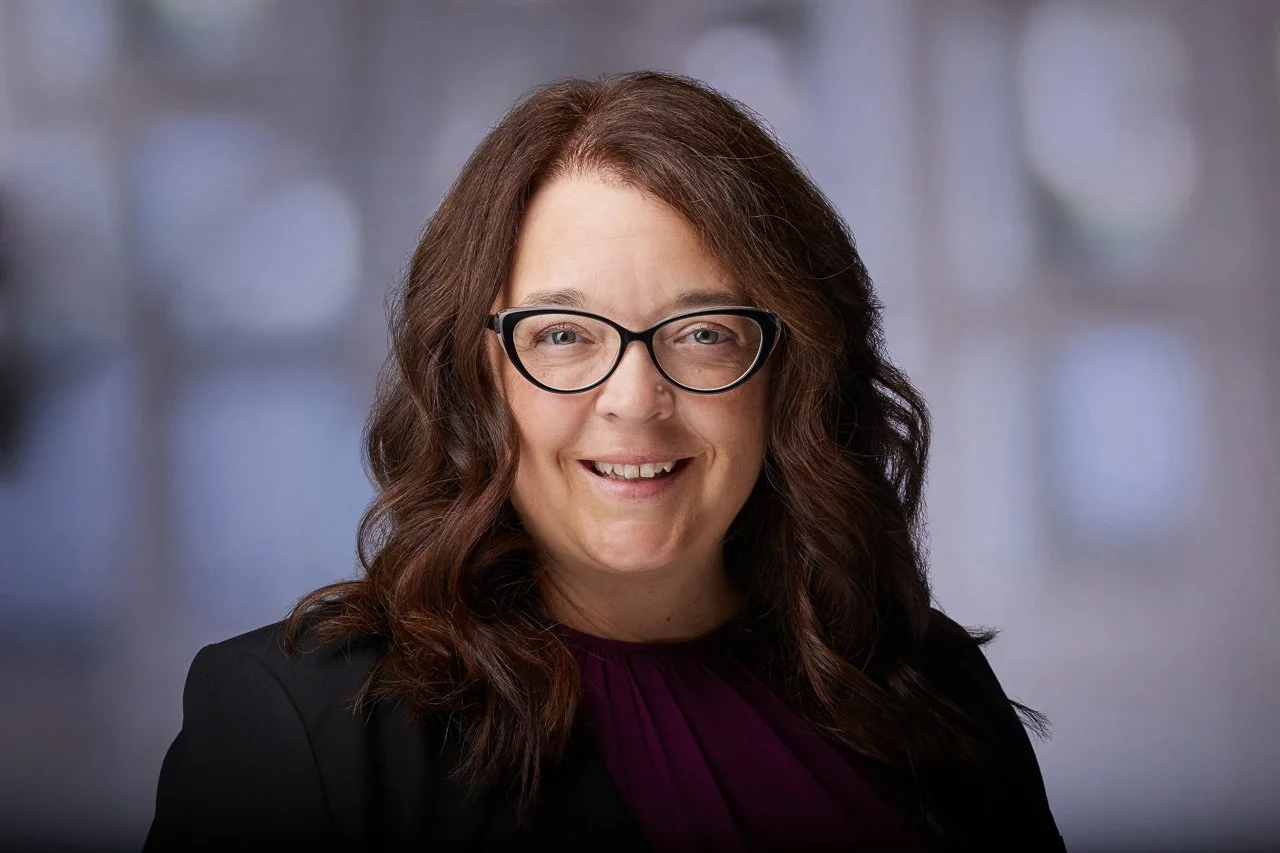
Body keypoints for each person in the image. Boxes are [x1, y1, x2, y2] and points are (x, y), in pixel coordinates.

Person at [143, 70, 1065, 852]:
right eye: (562, 334)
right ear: (475, 373)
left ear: (791, 371)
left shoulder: (925, 687)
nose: (634, 399)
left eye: (703, 332)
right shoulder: (296, 732)